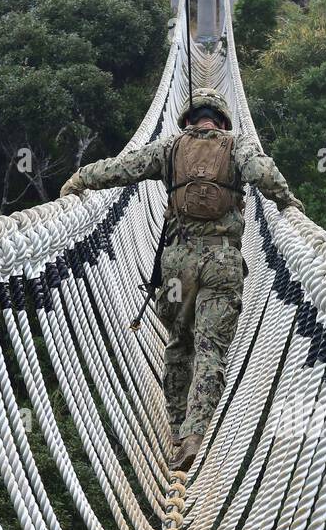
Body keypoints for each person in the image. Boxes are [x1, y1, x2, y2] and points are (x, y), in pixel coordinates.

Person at [60, 88, 303, 469]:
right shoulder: (236, 146)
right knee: (211, 350)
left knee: (178, 345)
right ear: (222, 121)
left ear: (187, 120)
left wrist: (79, 179)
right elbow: (262, 173)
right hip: (222, 262)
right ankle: (194, 434)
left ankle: (175, 432)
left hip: (177, 269)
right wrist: (287, 201)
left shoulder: (169, 149)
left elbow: (121, 169)